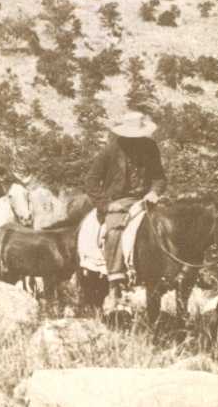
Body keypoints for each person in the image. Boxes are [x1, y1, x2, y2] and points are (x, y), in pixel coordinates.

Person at [84, 111, 167, 311]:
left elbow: (159, 176)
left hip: (145, 200)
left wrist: (154, 192)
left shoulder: (150, 148)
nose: (136, 140)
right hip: (118, 201)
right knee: (114, 231)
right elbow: (91, 181)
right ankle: (115, 283)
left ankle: (168, 275)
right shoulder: (110, 151)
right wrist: (106, 205)